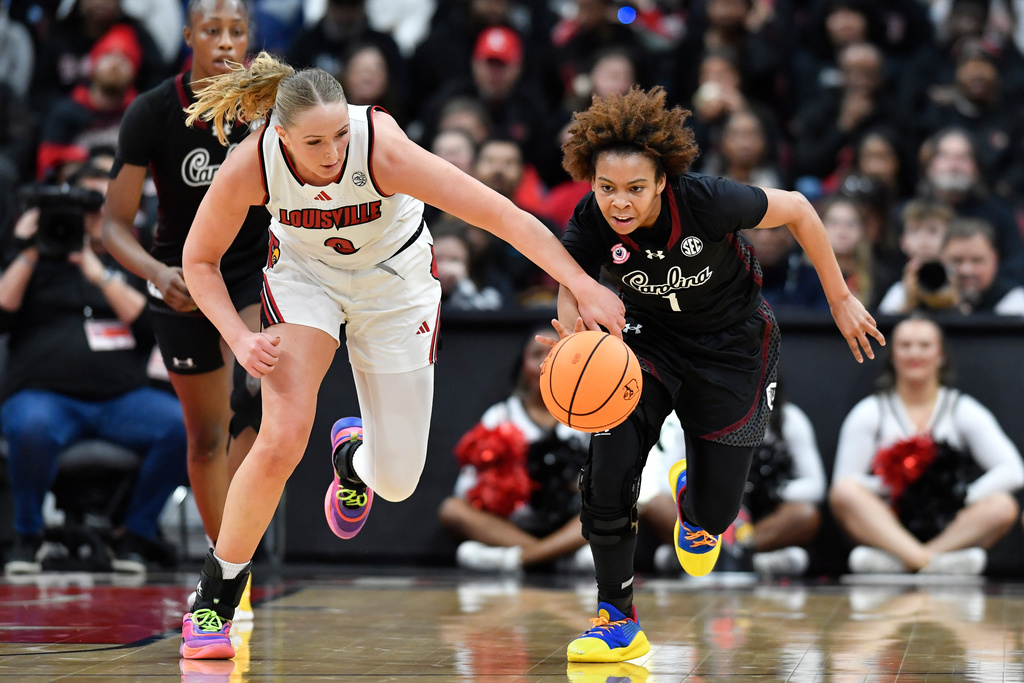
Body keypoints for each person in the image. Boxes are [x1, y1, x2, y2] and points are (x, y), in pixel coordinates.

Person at [175, 51, 625, 660]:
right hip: (306, 278)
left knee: (398, 479)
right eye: (314, 142)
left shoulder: (380, 147)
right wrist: (238, 335)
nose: (333, 152)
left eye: (339, 134)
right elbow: (198, 261)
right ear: (280, 136)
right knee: (280, 437)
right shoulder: (250, 165)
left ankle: (354, 460)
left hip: (397, 283)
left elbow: (504, 216)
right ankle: (217, 594)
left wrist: (582, 283)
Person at [544, 86, 882, 663]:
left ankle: (694, 508)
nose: (618, 203)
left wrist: (841, 297)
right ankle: (616, 618)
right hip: (646, 345)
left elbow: (799, 209)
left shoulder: (707, 200)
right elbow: (571, 283)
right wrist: (576, 337)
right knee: (606, 472)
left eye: (634, 189)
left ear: (660, 182)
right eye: (606, 188)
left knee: (718, 514)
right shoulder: (590, 220)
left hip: (732, 345)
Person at [101, 0, 266, 618]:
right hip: (179, 276)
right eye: (213, 30)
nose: (226, 42)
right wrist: (156, 273)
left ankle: (233, 554)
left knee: (258, 394)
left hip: (253, 272)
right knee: (203, 438)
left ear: (250, 37)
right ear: (190, 35)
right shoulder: (151, 112)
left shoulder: (267, 109)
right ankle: (228, 569)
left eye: (237, 31)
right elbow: (113, 227)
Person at [0, 161, 187, 574]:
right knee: (30, 427)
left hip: (121, 399)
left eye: (103, 204)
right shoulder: (32, 259)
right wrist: (31, 248)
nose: (93, 214)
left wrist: (95, 268)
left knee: (181, 425)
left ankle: (133, 535)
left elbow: (146, 325)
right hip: (44, 396)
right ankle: (28, 539)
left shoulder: (130, 262)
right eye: (84, 205)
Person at [829, 316, 1023, 574]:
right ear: (892, 355)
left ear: (940, 354)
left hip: (949, 522)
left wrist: (958, 495)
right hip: (889, 520)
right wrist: (897, 484)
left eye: (924, 345)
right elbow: (845, 483)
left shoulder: (960, 408)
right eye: (905, 345)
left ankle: (905, 561)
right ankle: (929, 563)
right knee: (844, 494)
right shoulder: (871, 411)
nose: (914, 353)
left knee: (1003, 505)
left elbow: (1013, 470)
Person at [439, 328, 592, 573]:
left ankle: (519, 559)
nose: (545, 363)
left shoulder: (589, 416)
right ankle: (555, 557)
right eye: (536, 354)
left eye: (554, 353)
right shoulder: (501, 416)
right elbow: (465, 491)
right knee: (452, 509)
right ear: (522, 366)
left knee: (623, 510)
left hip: (572, 525)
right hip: (512, 528)